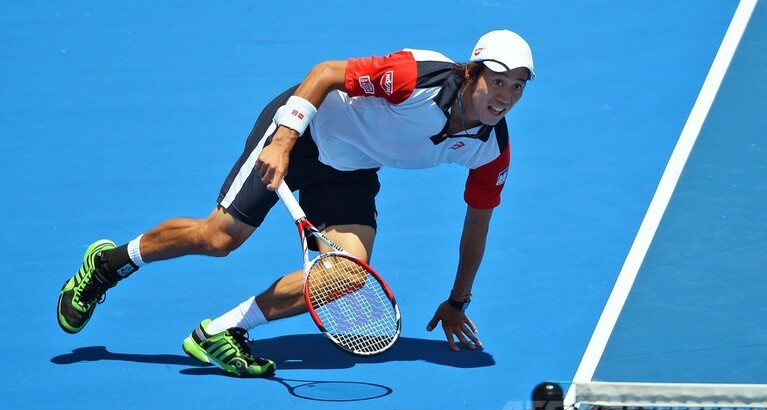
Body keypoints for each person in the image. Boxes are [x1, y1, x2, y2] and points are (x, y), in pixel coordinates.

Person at [57, 29, 535, 377]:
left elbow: (477, 225)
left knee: (347, 274)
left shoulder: (491, 148)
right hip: (303, 132)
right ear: (472, 72)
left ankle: (221, 332)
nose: (506, 96)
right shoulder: (416, 76)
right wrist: (284, 140)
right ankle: (108, 264)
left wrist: (458, 300)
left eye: (517, 86)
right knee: (220, 238)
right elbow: (325, 73)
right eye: (498, 81)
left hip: (350, 169)